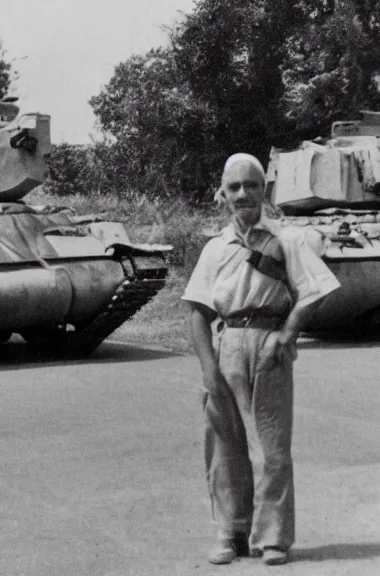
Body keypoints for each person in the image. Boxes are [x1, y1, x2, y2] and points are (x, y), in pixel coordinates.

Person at [182, 153, 340, 566]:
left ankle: (272, 537)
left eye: (251, 185)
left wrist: (287, 334)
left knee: (273, 448)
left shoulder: (285, 240)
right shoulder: (215, 249)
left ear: (263, 191)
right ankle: (229, 533)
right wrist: (207, 369)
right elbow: (198, 313)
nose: (243, 194)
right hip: (229, 341)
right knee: (224, 444)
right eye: (234, 187)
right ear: (222, 194)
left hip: (270, 345)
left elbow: (317, 289)